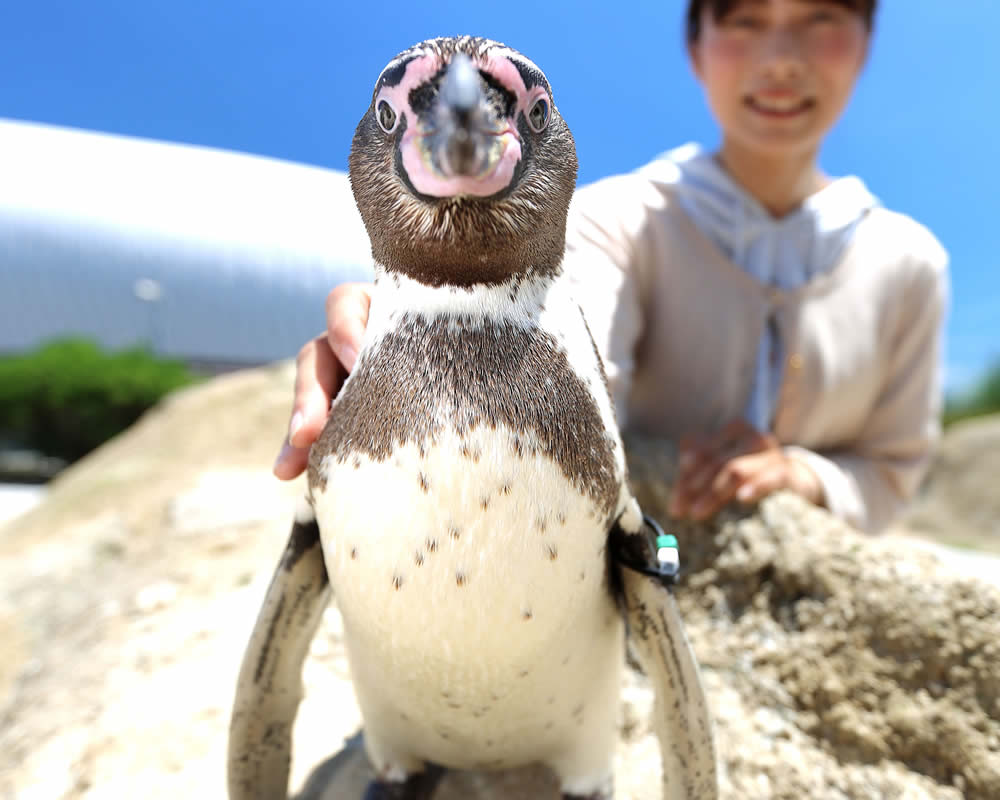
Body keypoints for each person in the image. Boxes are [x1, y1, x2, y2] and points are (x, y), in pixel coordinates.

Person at [273, 0, 948, 534]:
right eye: (744, 21)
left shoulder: (908, 263)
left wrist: (805, 477)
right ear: (697, 48)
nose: (779, 58)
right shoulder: (612, 220)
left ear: (864, 42)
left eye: (820, 19)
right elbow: (569, 354)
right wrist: (435, 314)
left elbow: (893, 471)